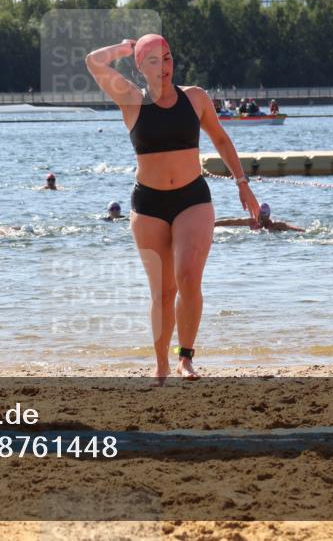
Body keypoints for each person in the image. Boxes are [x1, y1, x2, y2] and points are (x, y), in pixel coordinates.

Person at [86, 34, 259, 382]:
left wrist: (243, 183)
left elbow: (221, 139)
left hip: (191, 200)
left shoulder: (195, 98)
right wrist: (123, 48)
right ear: (140, 67)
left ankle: (185, 358)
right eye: (153, 61)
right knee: (163, 292)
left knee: (188, 278)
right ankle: (161, 364)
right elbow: (92, 61)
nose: (163, 67)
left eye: (167, 58)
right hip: (148, 205)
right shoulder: (131, 100)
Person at [214, 202, 304, 232]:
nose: (261, 218)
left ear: (268, 215)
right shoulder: (251, 221)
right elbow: (230, 222)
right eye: (260, 215)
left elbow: (293, 228)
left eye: (264, 216)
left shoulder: (275, 224)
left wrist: (304, 231)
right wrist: (213, 224)